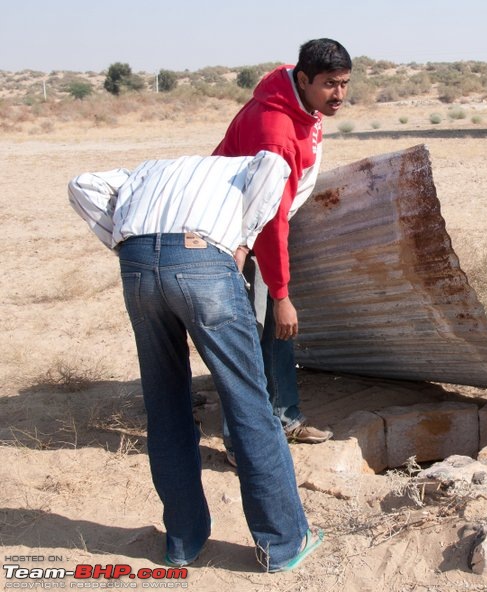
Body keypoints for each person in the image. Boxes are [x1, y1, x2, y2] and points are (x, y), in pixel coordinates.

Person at [67, 151, 323, 572]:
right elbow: (276, 167)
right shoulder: (243, 166)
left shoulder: (145, 171)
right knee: (249, 404)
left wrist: (122, 239)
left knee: (165, 404)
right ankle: (283, 543)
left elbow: (82, 184)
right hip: (203, 261)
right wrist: (243, 238)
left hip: (136, 270)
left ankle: (183, 542)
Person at [213, 38, 352, 451]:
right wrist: (282, 293)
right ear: (304, 79)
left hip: (258, 226)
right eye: (330, 85)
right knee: (247, 335)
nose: (339, 95)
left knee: (275, 334)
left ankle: (285, 418)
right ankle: (241, 443)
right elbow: (269, 220)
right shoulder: (275, 134)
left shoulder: (301, 96)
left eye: (345, 83)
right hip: (233, 233)